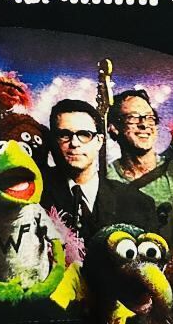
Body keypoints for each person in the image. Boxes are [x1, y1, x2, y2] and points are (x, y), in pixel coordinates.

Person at [41, 98, 157, 242]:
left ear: (99, 141)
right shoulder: (37, 194)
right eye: (64, 135)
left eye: (84, 135)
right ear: (54, 140)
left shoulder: (138, 203)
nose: (74, 143)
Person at [105, 88, 173, 245]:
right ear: (114, 127)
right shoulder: (103, 178)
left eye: (150, 118)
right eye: (133, 118)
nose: (144, 124)